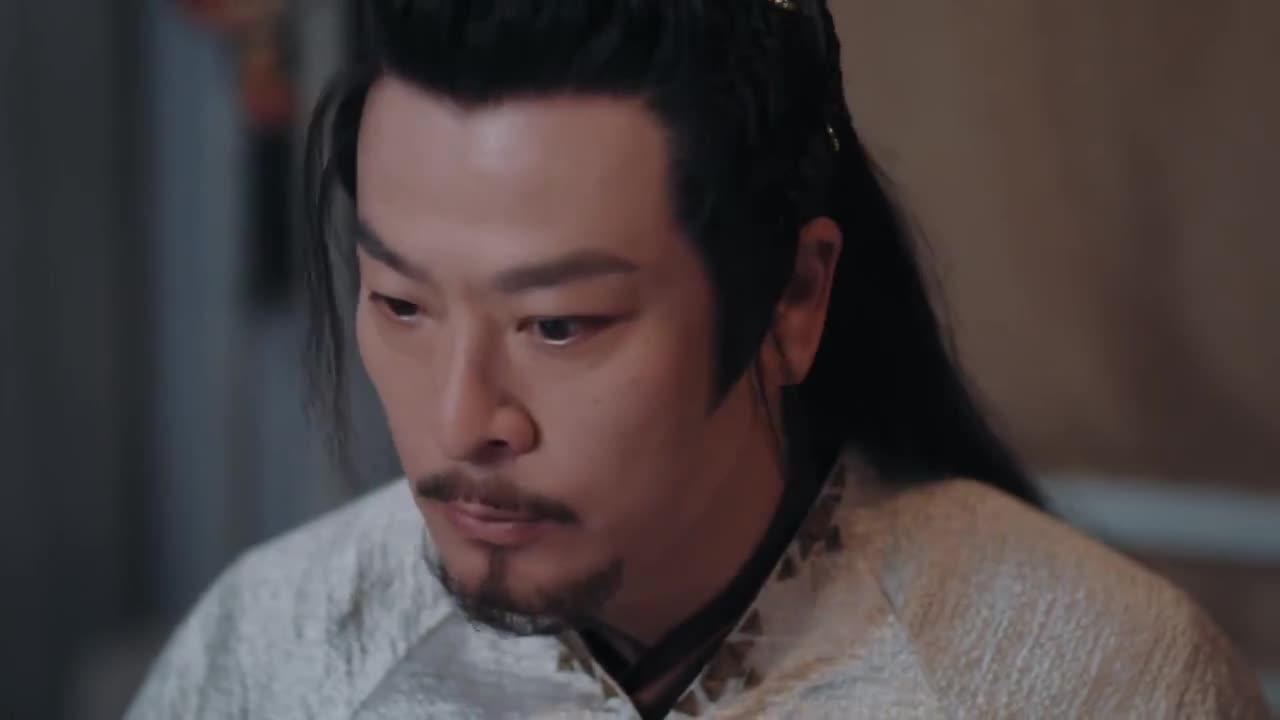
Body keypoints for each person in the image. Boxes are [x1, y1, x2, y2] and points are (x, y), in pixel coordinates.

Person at [128, 1, 1269, 717]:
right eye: (400, 304)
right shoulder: (275, 648)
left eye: (558, 324)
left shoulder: (1091, 679)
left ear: (793, 297)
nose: (462, 419)